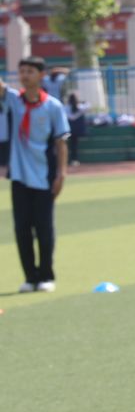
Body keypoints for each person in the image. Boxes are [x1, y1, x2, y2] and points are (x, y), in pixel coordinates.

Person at [6, 58, 70, 294]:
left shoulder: (53, 106)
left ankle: (46, 275)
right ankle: (29, 277)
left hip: (44, 176)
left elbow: (61, 142)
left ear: (41, 75)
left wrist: (61, 174)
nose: (24, 75)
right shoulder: (13, 100)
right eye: (21, 71)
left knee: (44, 228)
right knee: (22, 228)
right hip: (19, 177)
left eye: (30, 71)